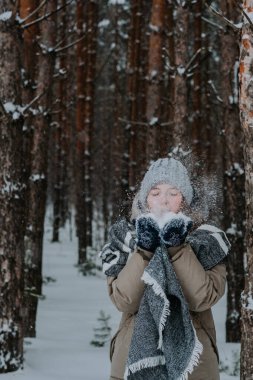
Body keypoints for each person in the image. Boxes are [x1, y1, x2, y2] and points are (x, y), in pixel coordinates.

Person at [100, 158, 230, 380]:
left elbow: (202, 298)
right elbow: (124, 300)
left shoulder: (209, 241)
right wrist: (145, 251)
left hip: (194, 365)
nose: (164, 201)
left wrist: (178, 249)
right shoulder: (124, 239)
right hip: (132, 358)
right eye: (156, 192)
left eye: (173, 193)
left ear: (185, 200)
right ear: (145, 199)